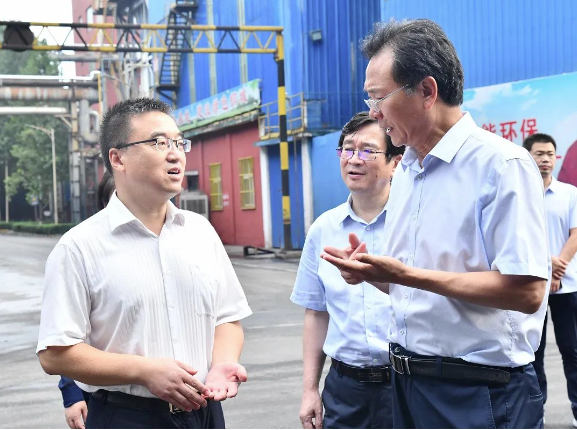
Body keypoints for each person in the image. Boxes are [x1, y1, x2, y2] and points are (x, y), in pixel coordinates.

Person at [321, 19, 550, 429]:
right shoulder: (408, 170)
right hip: (407, 384)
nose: (373, 113)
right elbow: (416, 288)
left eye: (379, 97)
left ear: (427, 91)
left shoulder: (501, 166)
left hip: (477, 393)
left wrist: (406, 275)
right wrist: (376, 274)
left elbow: (528, 291)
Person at [37, 98, 252, 429]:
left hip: (205, 411)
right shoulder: (78, 248)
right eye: (159, 143)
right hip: (127, 416)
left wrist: (223, 362)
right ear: (118, 158)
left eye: (179, 143)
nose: (175, 154)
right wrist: (143, 371)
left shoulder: (200, 232)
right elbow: (54, 354)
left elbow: (227, 317)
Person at [291, 112, 404, 429]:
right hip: (345, 388)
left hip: (407, 383)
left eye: (368, 150)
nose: (354, 159)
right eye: (348, 149)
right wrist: (309, 390)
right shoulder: (323, 229)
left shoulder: (413, 223)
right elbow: (316, 312)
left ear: (395, 162)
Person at [524, 133, 577, 428]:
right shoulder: (520, 194)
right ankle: (536, 411)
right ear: (528, 156)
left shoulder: (569, 193)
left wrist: (557, 271)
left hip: (567, 285)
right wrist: (547, 265)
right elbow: (521, 237)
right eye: (539, 154)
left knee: (573, 352)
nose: (545, 159)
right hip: (532, 287)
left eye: (550, 154)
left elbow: (575, 234)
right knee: (534, 353)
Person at [59, 171, 115, 429]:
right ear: (105, 203)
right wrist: (72, 395)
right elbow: (67, 337)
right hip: (105, 395)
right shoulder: (83, 249)